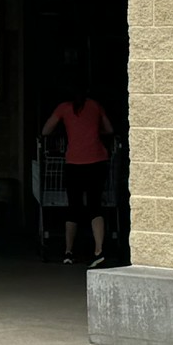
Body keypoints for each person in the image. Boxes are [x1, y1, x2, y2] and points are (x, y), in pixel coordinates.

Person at [41, 87, 114, 266]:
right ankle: (99, 250)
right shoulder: (95, 106)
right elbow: (109, 129)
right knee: (95, 205)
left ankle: (68, 251)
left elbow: (46, 131)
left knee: (73, 206)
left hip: (74, 163)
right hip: (97, 161)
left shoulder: (63, 108)